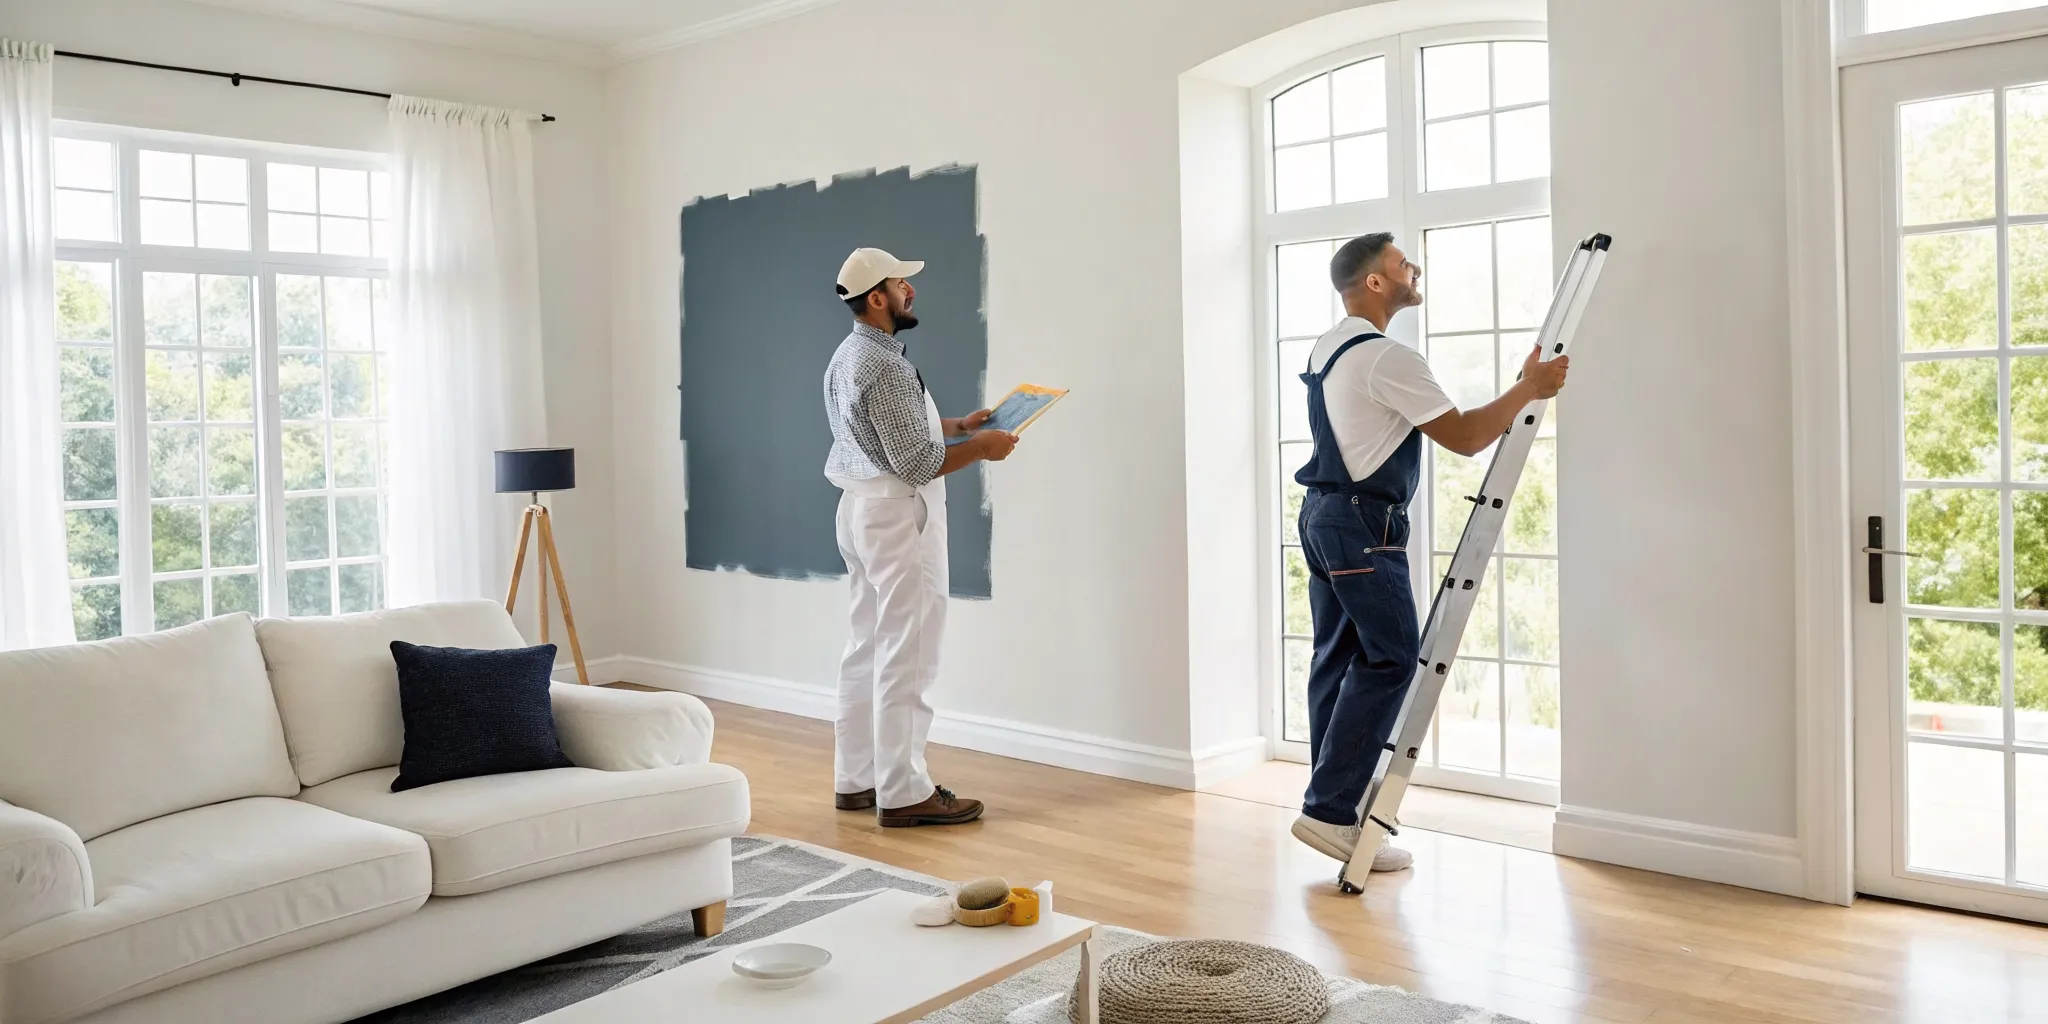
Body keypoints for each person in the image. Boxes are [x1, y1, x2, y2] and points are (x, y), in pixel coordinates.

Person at [1290, 233, 1569, 871]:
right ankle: (1331, 811)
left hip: (1324, 515)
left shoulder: (1329, 346)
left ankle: (1334, 811)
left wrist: (1524, 385)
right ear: (1375, 282)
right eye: (1401, 262)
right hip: (1362, 523)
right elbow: (1466, 437)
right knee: (1391, 660)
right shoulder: (1387, 357)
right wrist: (1530, 387)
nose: (1412, 268)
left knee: (1337, 659)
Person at [822, 247, 1018, 827]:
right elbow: (914, 463)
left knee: (866, 646)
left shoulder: (849, 355)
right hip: (898, 518)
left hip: (860, 511)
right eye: (900, 283)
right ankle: (905, 792)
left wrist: (958, 426)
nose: (911, 290)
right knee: (908, 651)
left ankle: (857, 779)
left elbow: (885, 436)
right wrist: (982, 449)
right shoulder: (884, 366)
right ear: (876, 298)